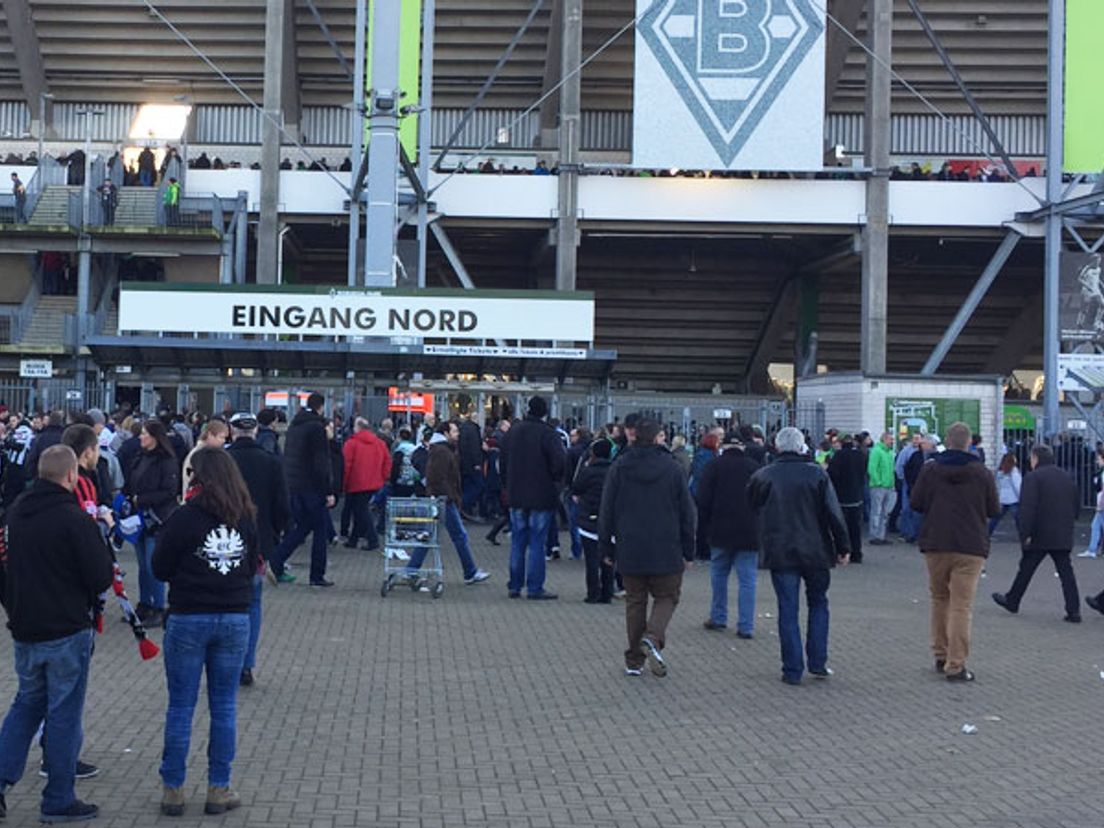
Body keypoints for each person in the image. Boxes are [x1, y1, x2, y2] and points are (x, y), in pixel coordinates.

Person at [0, 445, 112, 823]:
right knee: (63, 713)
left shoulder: (15, 514)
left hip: (26, 626)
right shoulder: (74, 520)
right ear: (70, 477)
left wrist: (13, 606)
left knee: (27, 703)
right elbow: (100, 577)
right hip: (66, 627)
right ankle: (59, 797)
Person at [153, 448, 259, 817]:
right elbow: (252, 564)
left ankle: (173, 789)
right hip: (233, 617)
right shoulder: (245, 516)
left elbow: (160, 566)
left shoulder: (184, 518)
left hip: (188, 616)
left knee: (181, 706)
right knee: (224, 706)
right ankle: (219, 786)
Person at [749, 427, 850, 685]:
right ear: (802, 446)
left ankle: (792, 669)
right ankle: (818, 662)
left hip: (781, 549)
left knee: (788, 609)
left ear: (777, 447)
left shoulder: (764, 476)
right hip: (816, 550)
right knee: (818, 603)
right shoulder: (817, 475)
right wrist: (843, 546)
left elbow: (752, 506)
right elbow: (833, 513)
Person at [599, 419, 695, 677]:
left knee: (635, 601)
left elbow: (607, 509)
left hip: (630, 546)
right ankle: (652, 637)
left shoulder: (619, 466)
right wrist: (689, 550)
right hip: (667, 546)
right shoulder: (673, 469)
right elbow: (687, 513)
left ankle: (634, 661)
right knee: (667, 596)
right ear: (656, 438)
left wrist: (606, 548)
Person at [909, 422, 1000, 682]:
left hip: (936, 542)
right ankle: (956, 664)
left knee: (939, 598)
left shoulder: (930, 470)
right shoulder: (981, 473)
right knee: (962, 605)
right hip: (970, 545)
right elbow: (993, 509)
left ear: (946, 442)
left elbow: (916, 503)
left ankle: (940, 653)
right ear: (969, 443)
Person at [226, 413, 290, 686]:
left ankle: (225, 663)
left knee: (227, 603)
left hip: (224, 543)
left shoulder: (222, 462)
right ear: (254, 432)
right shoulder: (272, 463)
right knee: (253, 602)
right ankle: (246, 664)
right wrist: (274, 534)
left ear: (232, 431)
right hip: (259, 546)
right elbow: (283, 507)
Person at [992, 445, 1081, 622]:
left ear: (1036, 459)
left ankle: (1012, 600)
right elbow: (1076, 504)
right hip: (1062, 532)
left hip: (1039, 533)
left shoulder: (1033, 478)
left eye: (1031, 459)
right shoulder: (1066, 476)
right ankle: (1074, 610)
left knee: (1026, 569)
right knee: (1066, 573)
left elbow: (1028, 508)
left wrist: (1026, 533)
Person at [403, 422, 490, 585]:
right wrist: (448, 496)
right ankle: (470, 571)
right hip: (443, 500)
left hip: (441, 499)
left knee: (430, 535)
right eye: (455, 431)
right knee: (459, 536)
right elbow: (437, 477)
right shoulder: (442, 451)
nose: (458, 434)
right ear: (446, 433)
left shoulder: (441, 449)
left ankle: (412, 569)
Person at [696, 430, 761, 636]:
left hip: (720, 528)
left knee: (718, 574)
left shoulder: (714, 466)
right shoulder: (754, 468)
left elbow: (702, 498)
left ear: (723, 446)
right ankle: (746, 625)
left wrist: (703, 528)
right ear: (743, 446)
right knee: (748, 580)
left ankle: (718, 616)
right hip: (749, 531)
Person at [500, 396, 566, 600]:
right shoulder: (548, 433)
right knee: (537, 542)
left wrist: (507, 485)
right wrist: (555, 483)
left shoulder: (513, 432)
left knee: (518, 541)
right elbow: (559, 462)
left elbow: (502, 462)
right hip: (541, 494)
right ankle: (535, 587)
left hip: (516, 494)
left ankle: (515, 585)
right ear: (545, 412)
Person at [269, 393, 335, 587]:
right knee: (320, 531)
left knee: (303, 527)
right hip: (312, 487)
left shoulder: (294, 427)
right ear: (321, 407)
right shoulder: (316, 428)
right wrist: (328, 490)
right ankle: (316, 575)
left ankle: (276, 560)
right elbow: (320, 462)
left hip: (294, 485)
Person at [123, 419, 180, 628]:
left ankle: (158, 606)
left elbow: (169, 491)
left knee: (152, 564)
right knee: (142, 565)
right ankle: (145, 603)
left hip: (157, 518)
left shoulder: (166, 461)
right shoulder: (140, 457)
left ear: (155, 437)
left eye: (145, 434)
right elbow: (130, 482)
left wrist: (142, 499)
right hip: (139, 518)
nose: (140, 437)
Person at [571, 438, 614, 603]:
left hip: (588, 519)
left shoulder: (587, 471)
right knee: (608, 558)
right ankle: (607, 593)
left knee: (591, 559)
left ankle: (593, 593)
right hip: (610, 521)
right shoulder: (614, 470)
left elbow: (576, 489)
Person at [341, 418, 391, 551]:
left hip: (355, 482)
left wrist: (343, 483)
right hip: (374, 482)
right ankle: (353, 539)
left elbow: (346, 465)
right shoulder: (380, 443)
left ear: (358, 427)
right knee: (360, 510)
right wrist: (383, 477)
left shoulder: (351, 444)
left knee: (361, 511)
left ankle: (372, 539)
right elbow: (387, 462)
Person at [827, 434, 867, 564]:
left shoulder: (838, 456)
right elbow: (864, 473)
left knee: (841, 527)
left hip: (842, 496)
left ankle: (842, 552)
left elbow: (832, 474)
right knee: (855, 527)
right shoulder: (860, 455)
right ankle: (857, 553)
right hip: (856, 496)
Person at [456, 396, 484, 519]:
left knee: (468, 485)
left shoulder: (464, 429)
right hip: (472, 465)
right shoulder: (473, 430)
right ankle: (463, 505)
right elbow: (474, 448)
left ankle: (464, 509)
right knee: (478, 486)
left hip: (464, 464)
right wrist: (477, 463)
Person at [867, 432, 896, 545]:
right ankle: (874, 535)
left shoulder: (889, 453)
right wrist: (878, 481)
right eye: (890, 439)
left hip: (887, 485)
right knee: (877, 511)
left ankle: (881, 535)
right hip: (878, 486)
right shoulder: (877, 451)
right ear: (884, 439)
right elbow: (872, 468)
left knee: (884, 512)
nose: (892, 441)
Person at [989, 452, 1023, 536]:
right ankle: (1023, 535)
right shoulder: (1013, 472)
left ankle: (987, 533)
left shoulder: (1000, 471)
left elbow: (997, 485)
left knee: (995, 518)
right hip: (1013, 499)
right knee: (1018, 519)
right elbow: (1017, 486)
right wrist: (1021, 497)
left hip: (1002, 498)